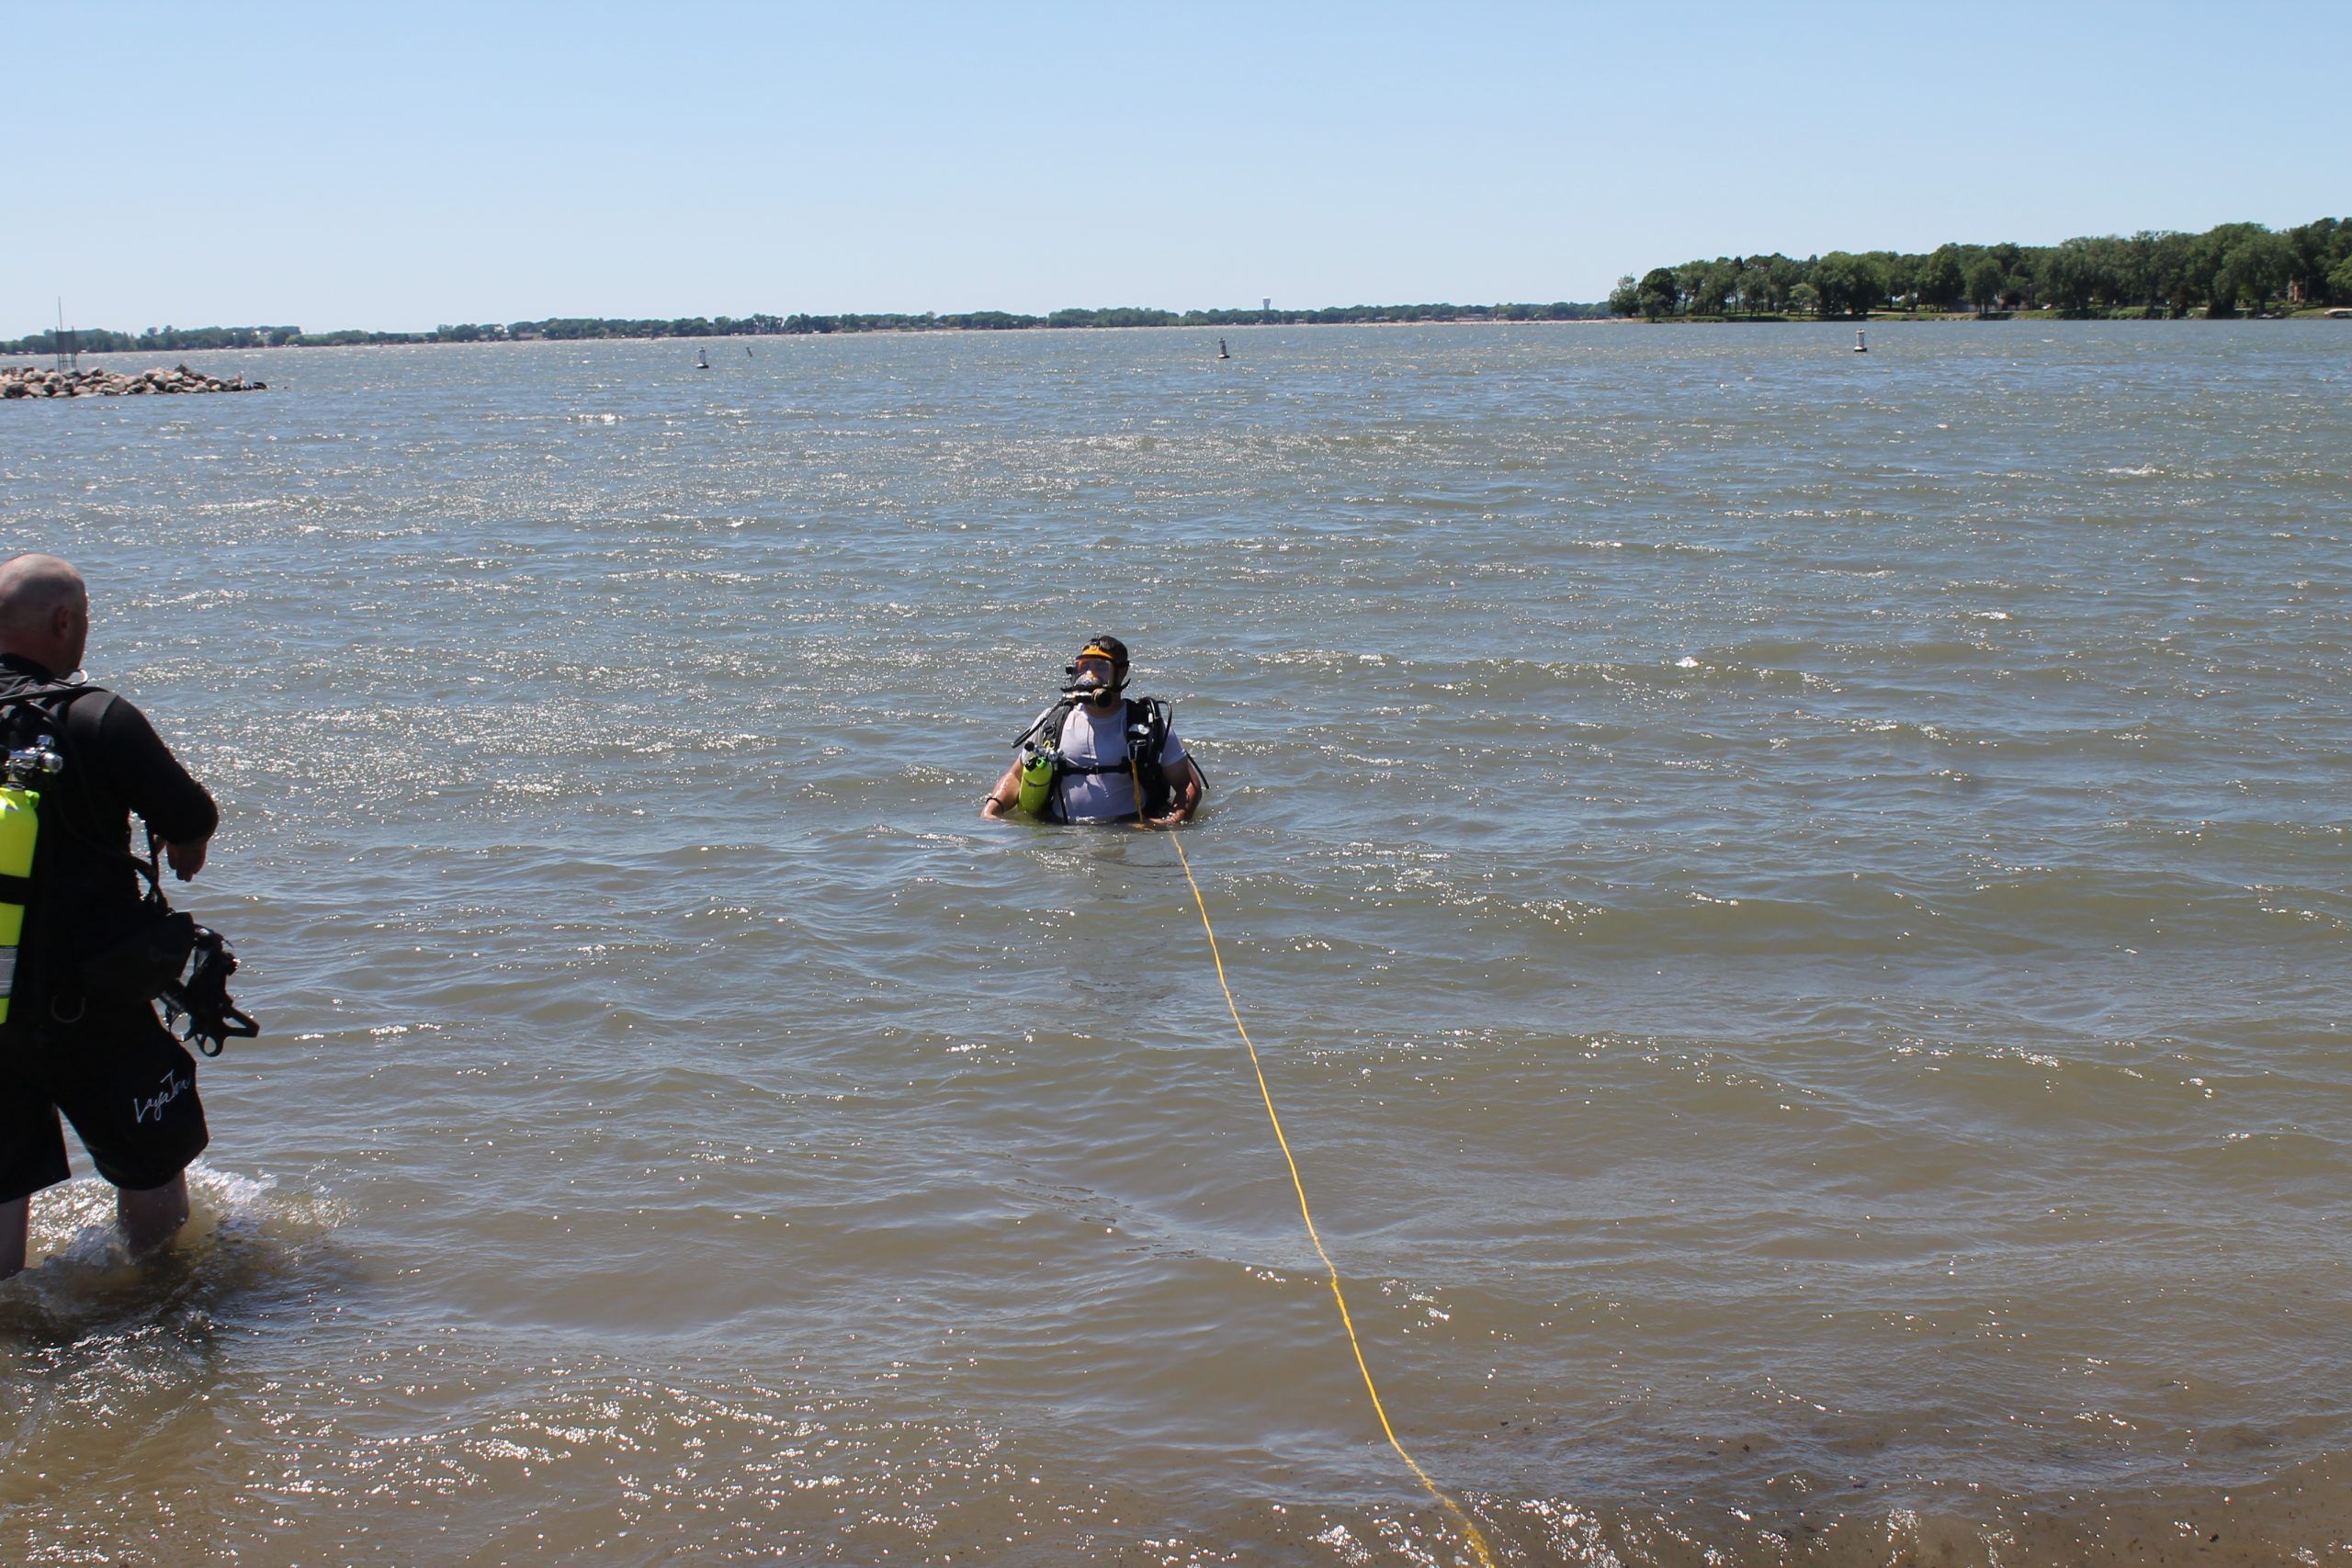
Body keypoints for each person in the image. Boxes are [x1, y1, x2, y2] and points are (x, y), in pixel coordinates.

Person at [0, 553, 220, 1281]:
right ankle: (159, 1307)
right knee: (153, 1174)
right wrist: (184, 845)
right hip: (88, 1003)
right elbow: (191, 814)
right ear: (65, 623)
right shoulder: (94, 717)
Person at [981, 636, 1203, 827]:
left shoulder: (1147, 724)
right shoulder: (1054, 722)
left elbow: (1188, 785)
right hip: (1063, 839)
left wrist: (1172, 821)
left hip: (1128, 833)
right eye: (1084, 667)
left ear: (1122, 671)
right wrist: (992, 809)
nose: (1090, 676)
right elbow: (1015, 777)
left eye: (1101, 668)